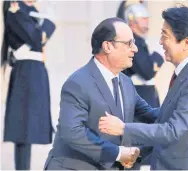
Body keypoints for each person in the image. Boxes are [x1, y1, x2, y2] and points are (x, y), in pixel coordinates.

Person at [99, 6, 188, 170]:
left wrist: (123, 128)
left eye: (165, 36)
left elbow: (172, 131)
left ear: (186, 43)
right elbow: (166, 117)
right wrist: (139, 152)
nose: (160, 42)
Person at [44, 17, 159, 170]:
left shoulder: (126, 82)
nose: (135, 49)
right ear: (107, 46)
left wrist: (184, 108)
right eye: (128, 43)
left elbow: (149, 115)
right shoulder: (78, 82)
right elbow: (72, 132)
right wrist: (118, 153)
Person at [1, 1, 56, 170]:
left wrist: (47, 26)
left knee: (31, 126)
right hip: (25, 72)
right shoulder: (14, 8)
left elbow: (45, 31)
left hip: (36, 70)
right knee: (23, 127)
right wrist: (47, 24)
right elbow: (36, 37)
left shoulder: (32, 10)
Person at [123, 3, 164, 109]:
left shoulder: (140, 41)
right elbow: (148, 72)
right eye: (143, 18)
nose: (147, 21)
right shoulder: (132, 42)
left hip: (143, 95)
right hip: (139, 95)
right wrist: (158, 55)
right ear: (132, 21)